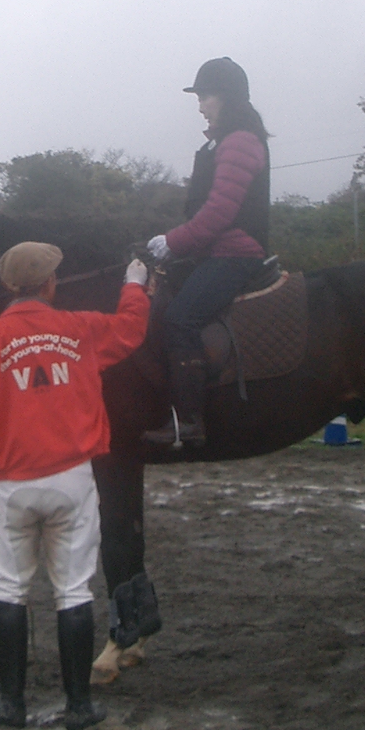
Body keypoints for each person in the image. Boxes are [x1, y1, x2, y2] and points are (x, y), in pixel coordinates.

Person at [0, 241, 150, 730]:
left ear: (10, 286)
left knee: (9, 588)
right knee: (73, 590)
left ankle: (11, 704)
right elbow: (131, 330)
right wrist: (134, 285)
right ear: (51, 283)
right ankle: (78, 706)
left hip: (12, 486)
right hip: (72, 481)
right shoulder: (80, 328)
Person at [142, 56, 270, 448]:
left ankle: (189, 421)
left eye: (204, 97)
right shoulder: (222, 142)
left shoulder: (239, 141)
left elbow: (219, 213)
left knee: (180, 318)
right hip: (215, 251)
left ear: (226, 97)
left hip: (236, 253)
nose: (200, 106)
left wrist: (174, 242)